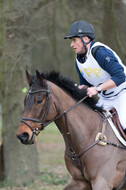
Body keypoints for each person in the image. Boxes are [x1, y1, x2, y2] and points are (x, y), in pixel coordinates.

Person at [64, 20, 126, 133]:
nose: (71, 45)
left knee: (123, 125)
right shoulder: (79, 60)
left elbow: (120, 77)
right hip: (106, 98)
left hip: (123, 94)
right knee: (94, 126)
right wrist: (77, 90)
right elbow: (86, 85)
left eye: (74, 40)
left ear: (86, 39)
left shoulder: (100, 52)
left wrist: (97, 89)